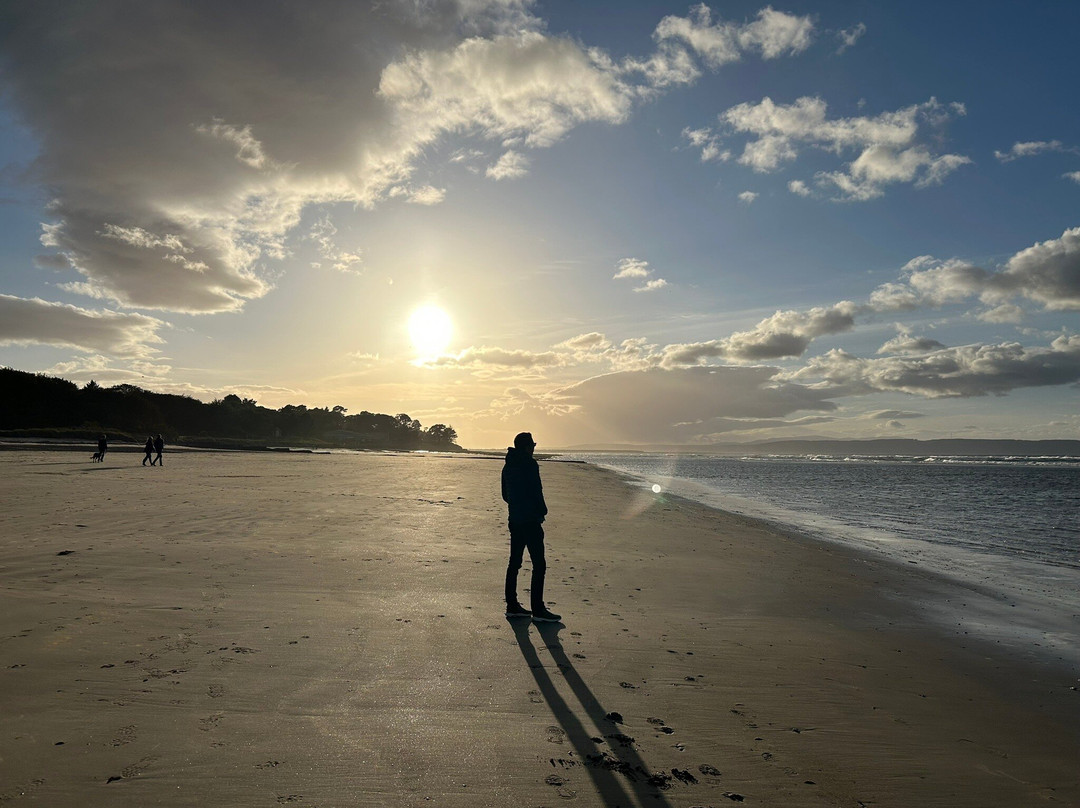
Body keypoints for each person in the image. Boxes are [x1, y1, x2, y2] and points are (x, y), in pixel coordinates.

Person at [501, 431, 561, 622]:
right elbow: (536, 491)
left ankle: (512, 605)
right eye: (533, 445)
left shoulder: (508, 464)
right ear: (527, 447)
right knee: (539, 564)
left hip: (515, 519)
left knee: (515, 563)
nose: (534, 448)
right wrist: (542, 511)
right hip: (530, 520)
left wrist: (516, 506)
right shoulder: (529, 464)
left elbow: (505, 495)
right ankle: (538, 609)